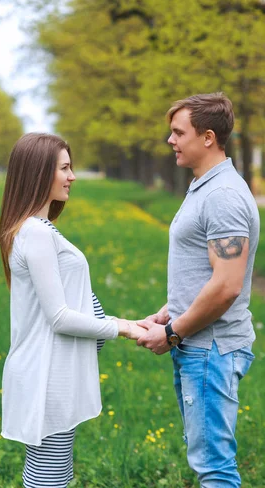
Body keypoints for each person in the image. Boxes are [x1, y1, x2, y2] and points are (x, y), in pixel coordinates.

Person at [0, 132, 146, 488]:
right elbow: (60, 317)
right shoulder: (35, 233)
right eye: (64, 168)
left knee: (54, 473)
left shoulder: (42, 230)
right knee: (49, 477)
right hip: (46, 374)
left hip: (54, 371)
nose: (72, 176)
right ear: (39, 173)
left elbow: (80, 299)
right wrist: (123, 328)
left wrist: (132, 321)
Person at [137, 93, 260, 488]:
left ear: (208, 137)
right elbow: (208, 273)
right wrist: (172, 309)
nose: (170, 140)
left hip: (211, 349)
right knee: (206, 459)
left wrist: (173, 332)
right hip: (200, 342)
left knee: (214, 468)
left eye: (178, 132)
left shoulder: (222, 196)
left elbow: (226, 286)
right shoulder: (205, 187)